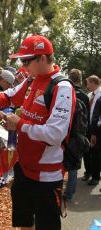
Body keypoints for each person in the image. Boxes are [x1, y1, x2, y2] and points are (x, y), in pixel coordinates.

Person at [0, 35, 75, 230]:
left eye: (26, 60)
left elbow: (55, 134)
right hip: (23, 168)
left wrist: (20, 124)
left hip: (47, 175)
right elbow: (9, 96)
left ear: (43, 59)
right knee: (23, 222)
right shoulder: (31, 80)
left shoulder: (62, 87)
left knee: (46, 225)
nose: (22, 65)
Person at [63, 68, 89, 200]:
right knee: (73, 167)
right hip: (78, 135)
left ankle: (55, 189)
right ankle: (69, 194)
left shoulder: (64, 92)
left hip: (63, 133)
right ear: (80, 79)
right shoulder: (84, 96)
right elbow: (87, 118)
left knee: (58, 164)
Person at [83, 75, 101, 185]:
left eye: (88, 83)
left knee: (96, 153)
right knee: (87, 150)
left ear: (93, 83)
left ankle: (96, 176)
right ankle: (89, 172)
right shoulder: (90, 95)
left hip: (98, 128)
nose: (87, 86)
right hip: (89, 126)